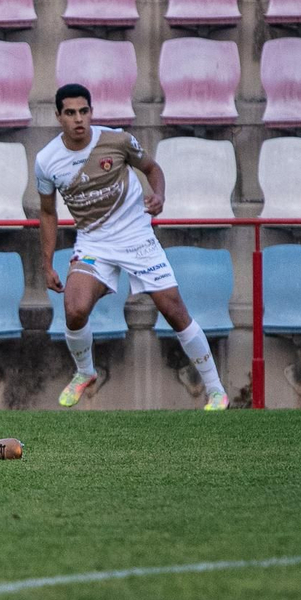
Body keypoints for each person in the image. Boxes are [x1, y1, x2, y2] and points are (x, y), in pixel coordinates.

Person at [37, 83, 229, 411]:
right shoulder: (47, 161)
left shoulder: (117, 140)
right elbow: (46, 211)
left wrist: (159, 195)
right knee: (74, 308)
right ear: (58, 117)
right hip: (94, 242)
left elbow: (153, 169)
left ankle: (215, 390)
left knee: (174, 310)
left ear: (91, 112)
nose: (78, 119)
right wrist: (46, 264)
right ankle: (85, 372)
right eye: (70, 113)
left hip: (137, 237)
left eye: (84, 111)